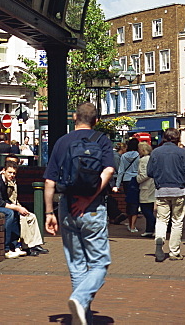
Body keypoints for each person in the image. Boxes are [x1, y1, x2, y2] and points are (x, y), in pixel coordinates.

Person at [44, 102, 116, 325]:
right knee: (99, 263)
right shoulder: (102, 140)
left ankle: (80, 318)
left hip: (66, 206)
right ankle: (80, 299)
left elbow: (49, 181)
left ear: (74, 117)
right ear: (95, 121)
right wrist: (89, 198)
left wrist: (49, 212)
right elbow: (109, 169)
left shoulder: (62, 142)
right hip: (93, 208)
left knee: (76, 264)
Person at [146, 127, 185, 262]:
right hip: (178, 189)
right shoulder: (181, 152)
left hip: (161, 190)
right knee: (177, 221)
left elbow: (149, 172)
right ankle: (174, 251)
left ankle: (159, 241)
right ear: (177, 138)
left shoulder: (156, 152)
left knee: (162, 219)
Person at [114, 138, 141, 234]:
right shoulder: (139, 155)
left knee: (129, 202)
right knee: (135, 203)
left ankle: (130, 223)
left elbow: (121, 171)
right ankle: (133, 226)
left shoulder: (124, 156)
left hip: (126, 180)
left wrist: (117, 185)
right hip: (136, 180)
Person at [135, 141, 156, 237]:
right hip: (152, 186)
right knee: (150, 208)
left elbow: (144, 174)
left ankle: (154, 225)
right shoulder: (152, 158)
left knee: (145, 209)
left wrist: (137, 179)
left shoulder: (143, 160)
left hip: (145, 187)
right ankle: (149, 229)